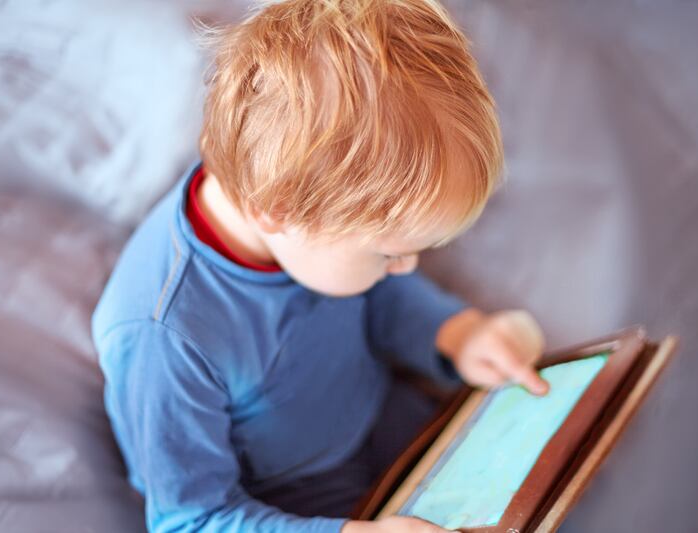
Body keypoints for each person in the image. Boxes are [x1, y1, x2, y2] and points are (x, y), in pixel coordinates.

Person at [92, 1, 549, 531]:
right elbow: (191, 519)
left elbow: (375, 294)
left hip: (391, 417)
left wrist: (459, 333)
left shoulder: (295, 194)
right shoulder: (163, 336)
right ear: (276, 212)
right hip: (303, 502)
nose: (407, 268)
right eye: (388, 253)